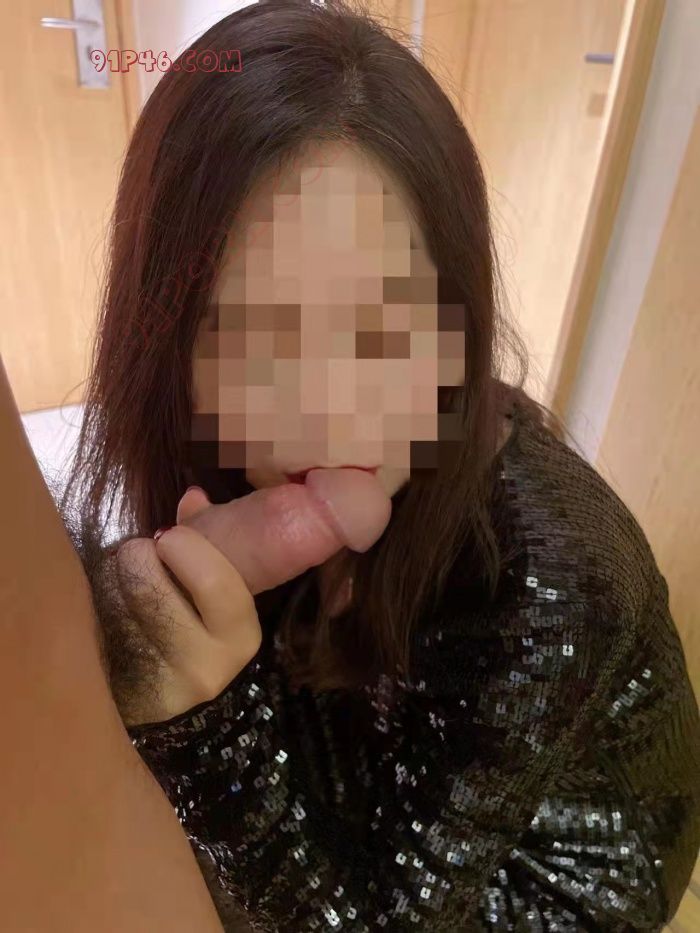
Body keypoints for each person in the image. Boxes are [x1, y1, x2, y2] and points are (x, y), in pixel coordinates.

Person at [56, 0, 700, 929]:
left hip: (552, 884)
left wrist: (209, 733)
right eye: (252, 339)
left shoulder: (555, 572)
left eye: (382, 330)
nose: (329, 413)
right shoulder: (223, 473)